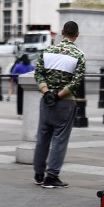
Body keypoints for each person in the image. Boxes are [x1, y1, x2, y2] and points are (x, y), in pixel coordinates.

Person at [33, 21, 86, 189]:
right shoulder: (79, 55)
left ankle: (39, 174)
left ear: (62, 32)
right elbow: (76, 82)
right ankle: (52, 176)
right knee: (59, 139)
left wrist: (47, 92)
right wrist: (58, 95)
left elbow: (38, 73)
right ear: (77, 34)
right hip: (65, 102)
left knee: (42, 137)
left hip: (46, 100)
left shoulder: (47, 51)